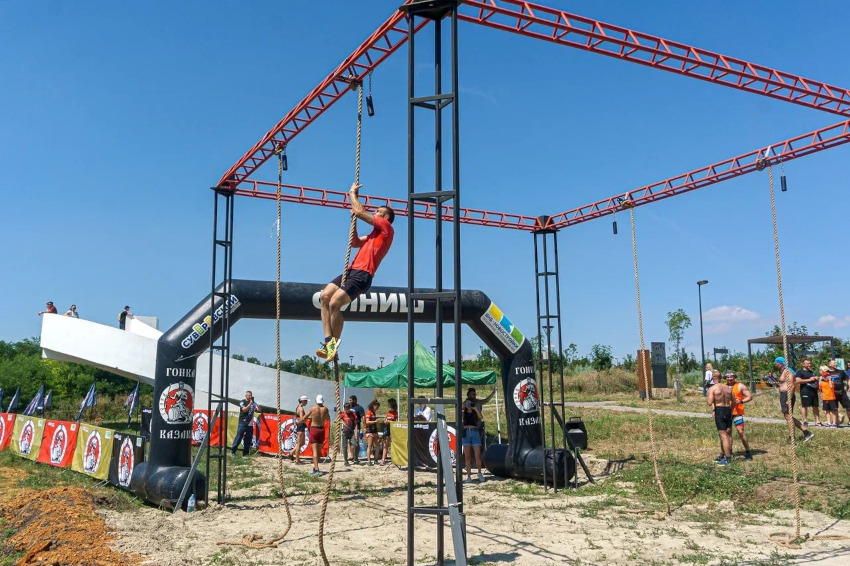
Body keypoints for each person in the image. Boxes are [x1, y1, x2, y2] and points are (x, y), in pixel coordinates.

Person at [316, 182, 395, 362]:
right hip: (351, 271)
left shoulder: (386, 229)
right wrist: (354, 222)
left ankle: (334, 345)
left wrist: (352, 194)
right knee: (325, 296)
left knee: (335, 303)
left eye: (377, 212)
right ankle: (329, 342)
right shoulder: (372, 236)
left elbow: (360, 212)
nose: (374, 212)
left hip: (362, 275)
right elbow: (354, 242)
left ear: (385, 217)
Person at [774, 357, 814, 442]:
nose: (776, 365)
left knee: (788, 415)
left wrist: (789, 397)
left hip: (787, 395)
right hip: (784, 395)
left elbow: (792, 385)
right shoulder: (784, 371)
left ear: (781, 363)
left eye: (777, 363)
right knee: (787, 415)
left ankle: (806, 432)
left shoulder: (787, 371)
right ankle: (791, 436)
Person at [725, 370, 753, 461]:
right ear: (725, 378)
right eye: (728, 377)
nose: (729, 378)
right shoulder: (723, 386)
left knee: (740, 431)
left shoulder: (740, 386)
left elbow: (749, 396)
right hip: (727, 412)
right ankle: (730, 451)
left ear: (734, 377)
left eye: (731, 377)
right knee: (728, 433)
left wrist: (741, 401)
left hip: (738, 412)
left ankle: (748, 451)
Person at [707, 370, 733, 466]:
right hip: (728, 409)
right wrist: (731, 411)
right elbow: (733, 401)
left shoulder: (713, 388)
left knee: (723, 435)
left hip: (720, 410)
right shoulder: (728, 388)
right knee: (727, 433)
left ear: (713, 378)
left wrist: (711, 396)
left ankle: (727, 458)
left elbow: (709, 402)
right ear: (721, 377)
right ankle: (723, 455)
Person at [302, 394, 330, 476]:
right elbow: (327, 418)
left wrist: (298, 422)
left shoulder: (313, 408)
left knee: (314, 451)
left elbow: (304, 418)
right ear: (323, 401)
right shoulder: (326, 409)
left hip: (314, 428)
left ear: (315, 401)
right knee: (318, 450)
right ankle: (315, 467)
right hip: (322, 429)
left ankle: (316, 468)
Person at [462, 388, 486, 482]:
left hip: (474, 432)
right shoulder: (464, 412)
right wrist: (464, 405)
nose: (468, 405)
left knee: (477, 455)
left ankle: (479, 473)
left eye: (469, 403)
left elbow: (481, 417)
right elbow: (459, 407)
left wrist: (474, 408)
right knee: (467, 457)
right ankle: (469, 476)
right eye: (467, 403)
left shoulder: (474, 411)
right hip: (466, 433)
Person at [231, 391, 258, 456]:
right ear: (246, 396)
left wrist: (257, 406)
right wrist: (250, 404)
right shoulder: (242, 402)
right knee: (239, 437)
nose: (250, 397)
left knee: (248, 439)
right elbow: (244, 410)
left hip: (250, 424)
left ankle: (245, 453)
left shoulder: (253, 403)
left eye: (251, 395)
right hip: (243, 422)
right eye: (249, 395)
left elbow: (259, 409)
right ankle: (233, 451)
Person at [796, 359, 822, 427]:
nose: (809, 365)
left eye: (810, 363)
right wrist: (810, 379)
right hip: (805, 391)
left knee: (815, 406)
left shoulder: (811, 372)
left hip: (813, 391)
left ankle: (817, 421)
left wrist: (816, 379)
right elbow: (798, 381)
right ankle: (805, 421)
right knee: (805, 406)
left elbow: (813, 380)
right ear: (803, 364)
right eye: (807, 363)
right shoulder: (800, 372)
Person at [827, 359, 850, 425]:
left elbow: (848, 379)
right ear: (829, 364)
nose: (836, 364)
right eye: (834, 363)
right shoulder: (827, 373)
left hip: (842, 392)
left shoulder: (841, 372)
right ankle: (836, 422)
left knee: (848, 407)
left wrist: (849, 386)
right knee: (834, 408)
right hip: (832, 393)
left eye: (836, 363)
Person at [381, 398, 399, 466]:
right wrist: (385, 421)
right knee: (385, 444)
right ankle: (383, 459)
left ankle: (395, 458)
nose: (388, 405)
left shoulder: (396, 412)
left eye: (389, 403)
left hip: (394, 429)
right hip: (387, 429)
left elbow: (396, 421)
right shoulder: (388, 412)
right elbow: (386, 419)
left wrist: (390, 422)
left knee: (394, 444)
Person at [363, 399, 381, 466]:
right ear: (374, 405)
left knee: (378, 444)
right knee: (370, 446)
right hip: (370, 431)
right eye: (377, 407)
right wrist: (375, 422)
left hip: (375, 430)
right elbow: (367, 422)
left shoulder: (373, 412)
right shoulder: (368, 412)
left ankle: (376, 459)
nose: (377, 408)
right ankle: (369, 460)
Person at [339, 402, 357, 466]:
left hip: (351, 432)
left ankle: (356, 458)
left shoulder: (353, 414)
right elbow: (336, 420)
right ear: (344, 408)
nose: (347, 410)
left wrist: (356, 432)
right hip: (345, 432)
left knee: (355, 445)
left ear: (349, 408)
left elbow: (355, 424)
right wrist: (342, 422)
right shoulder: (343, 414)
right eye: (346, 409)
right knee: (345, 447)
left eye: (348, 409)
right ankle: (346, 461)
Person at [292, 395, 309, 464]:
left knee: (302, 443)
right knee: (299, 443)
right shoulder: (301, 409)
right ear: (303, 401)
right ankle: (297, 459)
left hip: (300, 425)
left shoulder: (298, 407)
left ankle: (291, 453)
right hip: (301, 426)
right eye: (306, 401)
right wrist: (307, 417)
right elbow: (302, 419)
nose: (307, 402)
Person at [348, 395, 365, 464]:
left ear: (355, 400)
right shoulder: (348, 408)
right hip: (349, 427)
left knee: (356, 442)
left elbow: (363, 417)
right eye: (349, 400)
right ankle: (352, 456)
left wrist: (365, 426)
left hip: (356, 427)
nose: (349, 401)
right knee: (350, 442)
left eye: (350, 400)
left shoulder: (359, 408)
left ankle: (356, 457)